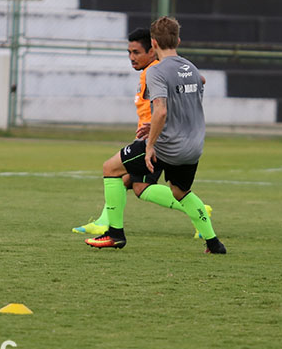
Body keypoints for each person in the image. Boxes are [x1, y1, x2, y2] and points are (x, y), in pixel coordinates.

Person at [85, 16, 226, 254]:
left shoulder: (156, 71)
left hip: (167, 146)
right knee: (179, 192)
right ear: (178, 40)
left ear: (154, 43)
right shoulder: (190, 67)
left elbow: (160, 110)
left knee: (110, 168)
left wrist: (150, 144)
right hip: (193, 146)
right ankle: (214, 244)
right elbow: (198, 84)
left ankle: (114, 235)